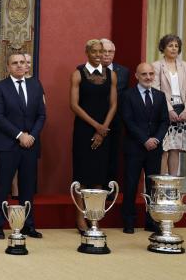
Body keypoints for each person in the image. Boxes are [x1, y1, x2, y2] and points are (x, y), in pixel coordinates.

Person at [0, 52, 46, 240]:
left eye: (22, 62)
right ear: (8, 67)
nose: (20, 66)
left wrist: (31, 136)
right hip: (8, 144)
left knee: (28, 187)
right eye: (15, 63)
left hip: (30, 144)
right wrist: (19, 135)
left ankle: (27, 225)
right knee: (3, 186)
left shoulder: (35, 85)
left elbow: (41, 115)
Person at [70, 39, 117, 233]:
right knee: (81, 175)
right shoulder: (78, 74)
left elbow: (113, 104)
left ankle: (94, 216)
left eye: (102, 51)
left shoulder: (111, 75)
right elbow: (73, 105)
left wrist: (103, 128)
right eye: (95, 51)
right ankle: (80, 218)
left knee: (99, 175)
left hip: (104, 131)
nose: (99, 54)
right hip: (84, 129)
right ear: (87, 52)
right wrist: (96, 126)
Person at [119, 63, 169, 234]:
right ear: (136, 76)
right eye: (144, 74)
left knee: (152, 186)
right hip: (134, 146)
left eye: (151, 74)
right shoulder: (127, 95)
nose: (148, 77)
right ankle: (129, 221)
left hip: (154, 148)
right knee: (131, 184)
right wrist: (144, 139)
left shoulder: (160, 96)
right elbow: (128, 120)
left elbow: (164, 121)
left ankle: (151, 221)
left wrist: (156, 139)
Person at [152, 34, 186, 175]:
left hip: (183, 109)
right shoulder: (156, 66)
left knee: (175, 148)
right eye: (170, 45)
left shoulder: (185, 66)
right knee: (164, 148)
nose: (173, 48)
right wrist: (169, 110)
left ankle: (173, 184)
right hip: (164, 109)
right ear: (163, 48)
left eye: (176, 46)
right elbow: (156, 90)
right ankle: (160, 185)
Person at [100, 38, 129, 184]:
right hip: (94, 120)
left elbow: (124, 97)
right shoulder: (88, 71)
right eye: (104, 51)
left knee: (113, 156)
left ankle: (109, 190)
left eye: (110, 51)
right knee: (96, 157)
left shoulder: (123, 71)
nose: (107, 54)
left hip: (116, 121)